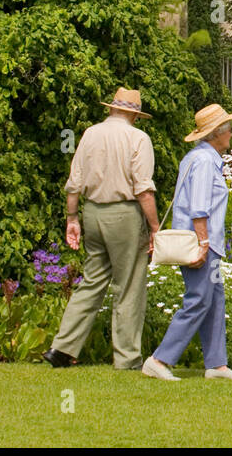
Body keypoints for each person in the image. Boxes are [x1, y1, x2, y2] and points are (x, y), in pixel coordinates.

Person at [43, 87, 159, 370]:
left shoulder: (90, 134)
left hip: (92, 212)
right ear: (134, 114)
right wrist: (155, 227)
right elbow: (143, 189)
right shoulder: (138, 138)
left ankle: (62, 347)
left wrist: (72, 218)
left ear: (111, 109)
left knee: (92, 281)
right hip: (124, 214)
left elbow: (74, 181)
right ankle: (127, 357)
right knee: (129, 285)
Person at [143, 104, 232, 381]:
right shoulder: (203, 161)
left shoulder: (198, 157)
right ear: (217, 134)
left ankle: (216, 364)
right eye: (229, 129)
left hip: (205, 241)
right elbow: (199, 207)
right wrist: (203, 243)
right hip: (201, 241)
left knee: (214, 299)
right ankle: (160, 359)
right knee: (199, 299)